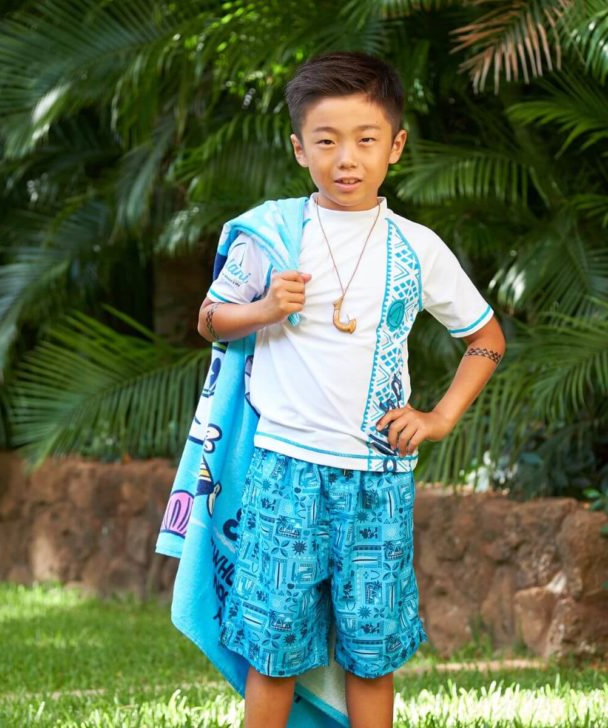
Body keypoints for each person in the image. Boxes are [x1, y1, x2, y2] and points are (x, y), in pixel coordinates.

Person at [195, 51, 506, 728]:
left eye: (366, 140)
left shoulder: (416, 247)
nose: (347, 158)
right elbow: (210, 320)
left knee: (372, 650)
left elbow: (485, 338)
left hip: (378, 478)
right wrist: (265, 309)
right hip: (284, 473)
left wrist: (439, 417)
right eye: (327, 141)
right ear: (298, 147)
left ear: (395, 145)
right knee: (272, 651)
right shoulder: (273, 236)